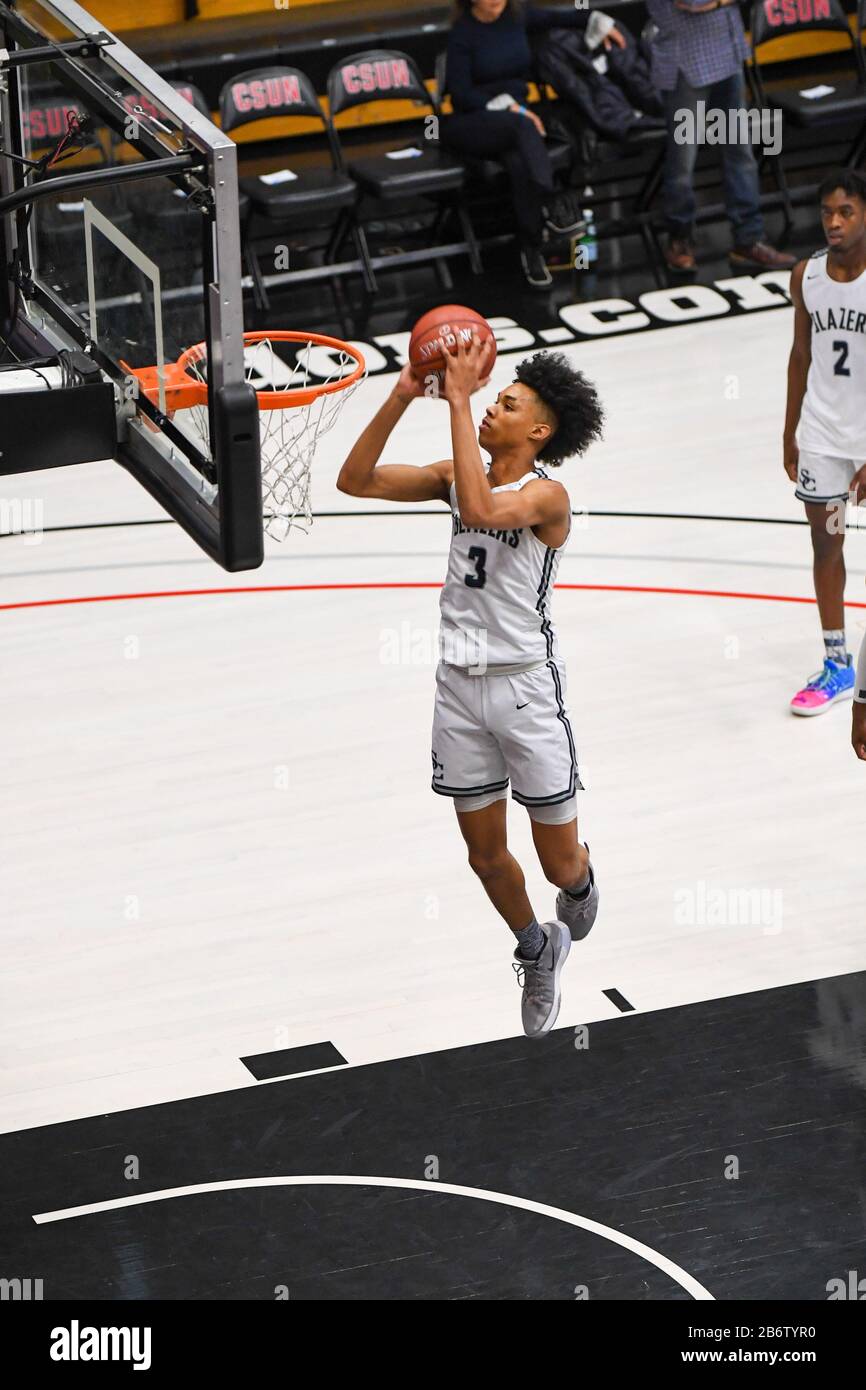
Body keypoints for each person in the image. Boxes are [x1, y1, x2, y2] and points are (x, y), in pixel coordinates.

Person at [337, 340, 604, 1038]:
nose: (491, 405)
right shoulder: (459, 476)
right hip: (457, 689)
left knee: (557, 860)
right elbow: (355, 481)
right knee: (484, 856)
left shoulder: (548, 496)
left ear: (538, 432)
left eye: (507, 403)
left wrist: (454, 399)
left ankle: (578, 885)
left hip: (525, 691)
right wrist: (402, 394)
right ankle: (537, 946)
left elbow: (486, 510)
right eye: (489, 398)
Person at [443, 0, 624, 288]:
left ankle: (532, 246)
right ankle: (552, 201)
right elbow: (460, 93)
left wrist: (604, 25)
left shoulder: (519, 17)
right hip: (473, 121)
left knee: (518, 161)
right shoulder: (462, 33)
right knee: (523, 127)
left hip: (518, 125)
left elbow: (565, 17)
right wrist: (514, 110)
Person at [783, 170, 866, 717]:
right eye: (826, 213)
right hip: (822, 438)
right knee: (826, 543)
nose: (834, 222)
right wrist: (790, 433)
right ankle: (838, 662)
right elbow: (800, 355)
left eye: (847, 212)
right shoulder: (806, 276)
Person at [646, 0, 796, 273]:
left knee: (741, 153)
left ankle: (748, 239)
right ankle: (679, 238)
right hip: (685, 65)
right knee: (682, 162)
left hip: (727, 54)